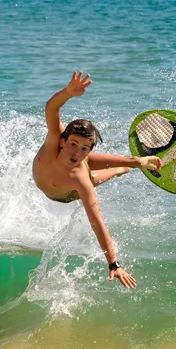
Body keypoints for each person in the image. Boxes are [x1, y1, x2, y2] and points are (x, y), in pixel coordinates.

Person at [32, 71, 163, 289]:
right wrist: (68, 92)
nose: (76, 151)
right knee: (86, 164)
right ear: (63, 140)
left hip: (64, 195)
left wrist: (114, 263)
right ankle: (134, 162)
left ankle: (126, 166)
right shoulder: (55, 138)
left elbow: (97, 222)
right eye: (73, 143)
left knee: (90, 177)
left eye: (84, 148)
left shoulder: (80, 179)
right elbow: (51, 108)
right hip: (65, 171)